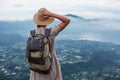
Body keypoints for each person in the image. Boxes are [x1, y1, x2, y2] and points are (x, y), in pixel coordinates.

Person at [29, 8, 70, 80]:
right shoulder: (51, 32)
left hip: (36, 68)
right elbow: (67, 20)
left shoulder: (31, 34)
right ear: (47, 21)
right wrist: (51, 14)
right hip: (50, 67)